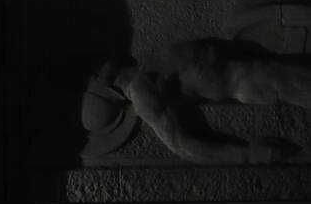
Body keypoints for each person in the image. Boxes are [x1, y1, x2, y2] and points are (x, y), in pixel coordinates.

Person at [81, 38, 308, 164]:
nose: (102, 58)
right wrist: (248, 155)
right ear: (103, 81)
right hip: (254, 80)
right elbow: (182, 145)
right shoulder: (142, 94)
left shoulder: (146, 67)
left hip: (256, 66)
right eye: (95, 69)